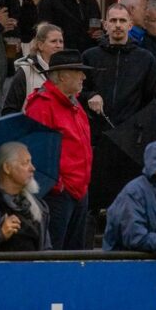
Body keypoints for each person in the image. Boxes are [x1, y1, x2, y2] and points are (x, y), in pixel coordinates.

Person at [82, 4, 156, 228]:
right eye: (113, 20)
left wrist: (140, 133)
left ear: (130, 25)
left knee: (130, 204)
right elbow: (77, 91)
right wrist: (90, 95)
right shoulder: (90, 56)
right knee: (95, 205)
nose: (117, 25)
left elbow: (153, 99)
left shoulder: (145, 58)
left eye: (122, 20)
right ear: (105, 25)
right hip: (97, 139)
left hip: (130, 142)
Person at [24, 50, 94, 250]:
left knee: (76, 252)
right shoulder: (42, 105)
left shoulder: (74, 103)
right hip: (57, 194)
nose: (83, 76)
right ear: (63, 76)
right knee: (54, 251)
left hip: (79, 190)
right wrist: (57, 185)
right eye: (78, 72)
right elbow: (36, 151)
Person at [0, 22, 64, 115]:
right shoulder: (25, 71)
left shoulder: (67, 71)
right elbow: (10, 110)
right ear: (40, 45)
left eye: (61, 41)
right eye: (53, 41)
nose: (59, 45)